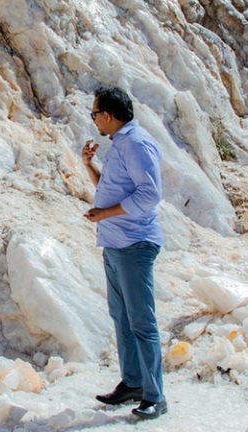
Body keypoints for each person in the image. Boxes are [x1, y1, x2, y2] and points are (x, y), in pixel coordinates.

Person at [82, 87, 167, 420]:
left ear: (107, 115)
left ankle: (155, 396)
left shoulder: (135, 143)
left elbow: (150, 195)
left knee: (142, 322)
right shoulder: (120, 143)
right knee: (122, 318)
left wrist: (103, 215)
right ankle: (133, 382)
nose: (93, 120)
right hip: (116, 244)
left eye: (94, 114)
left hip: (135, 244)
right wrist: (88, 165)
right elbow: (111, 189)